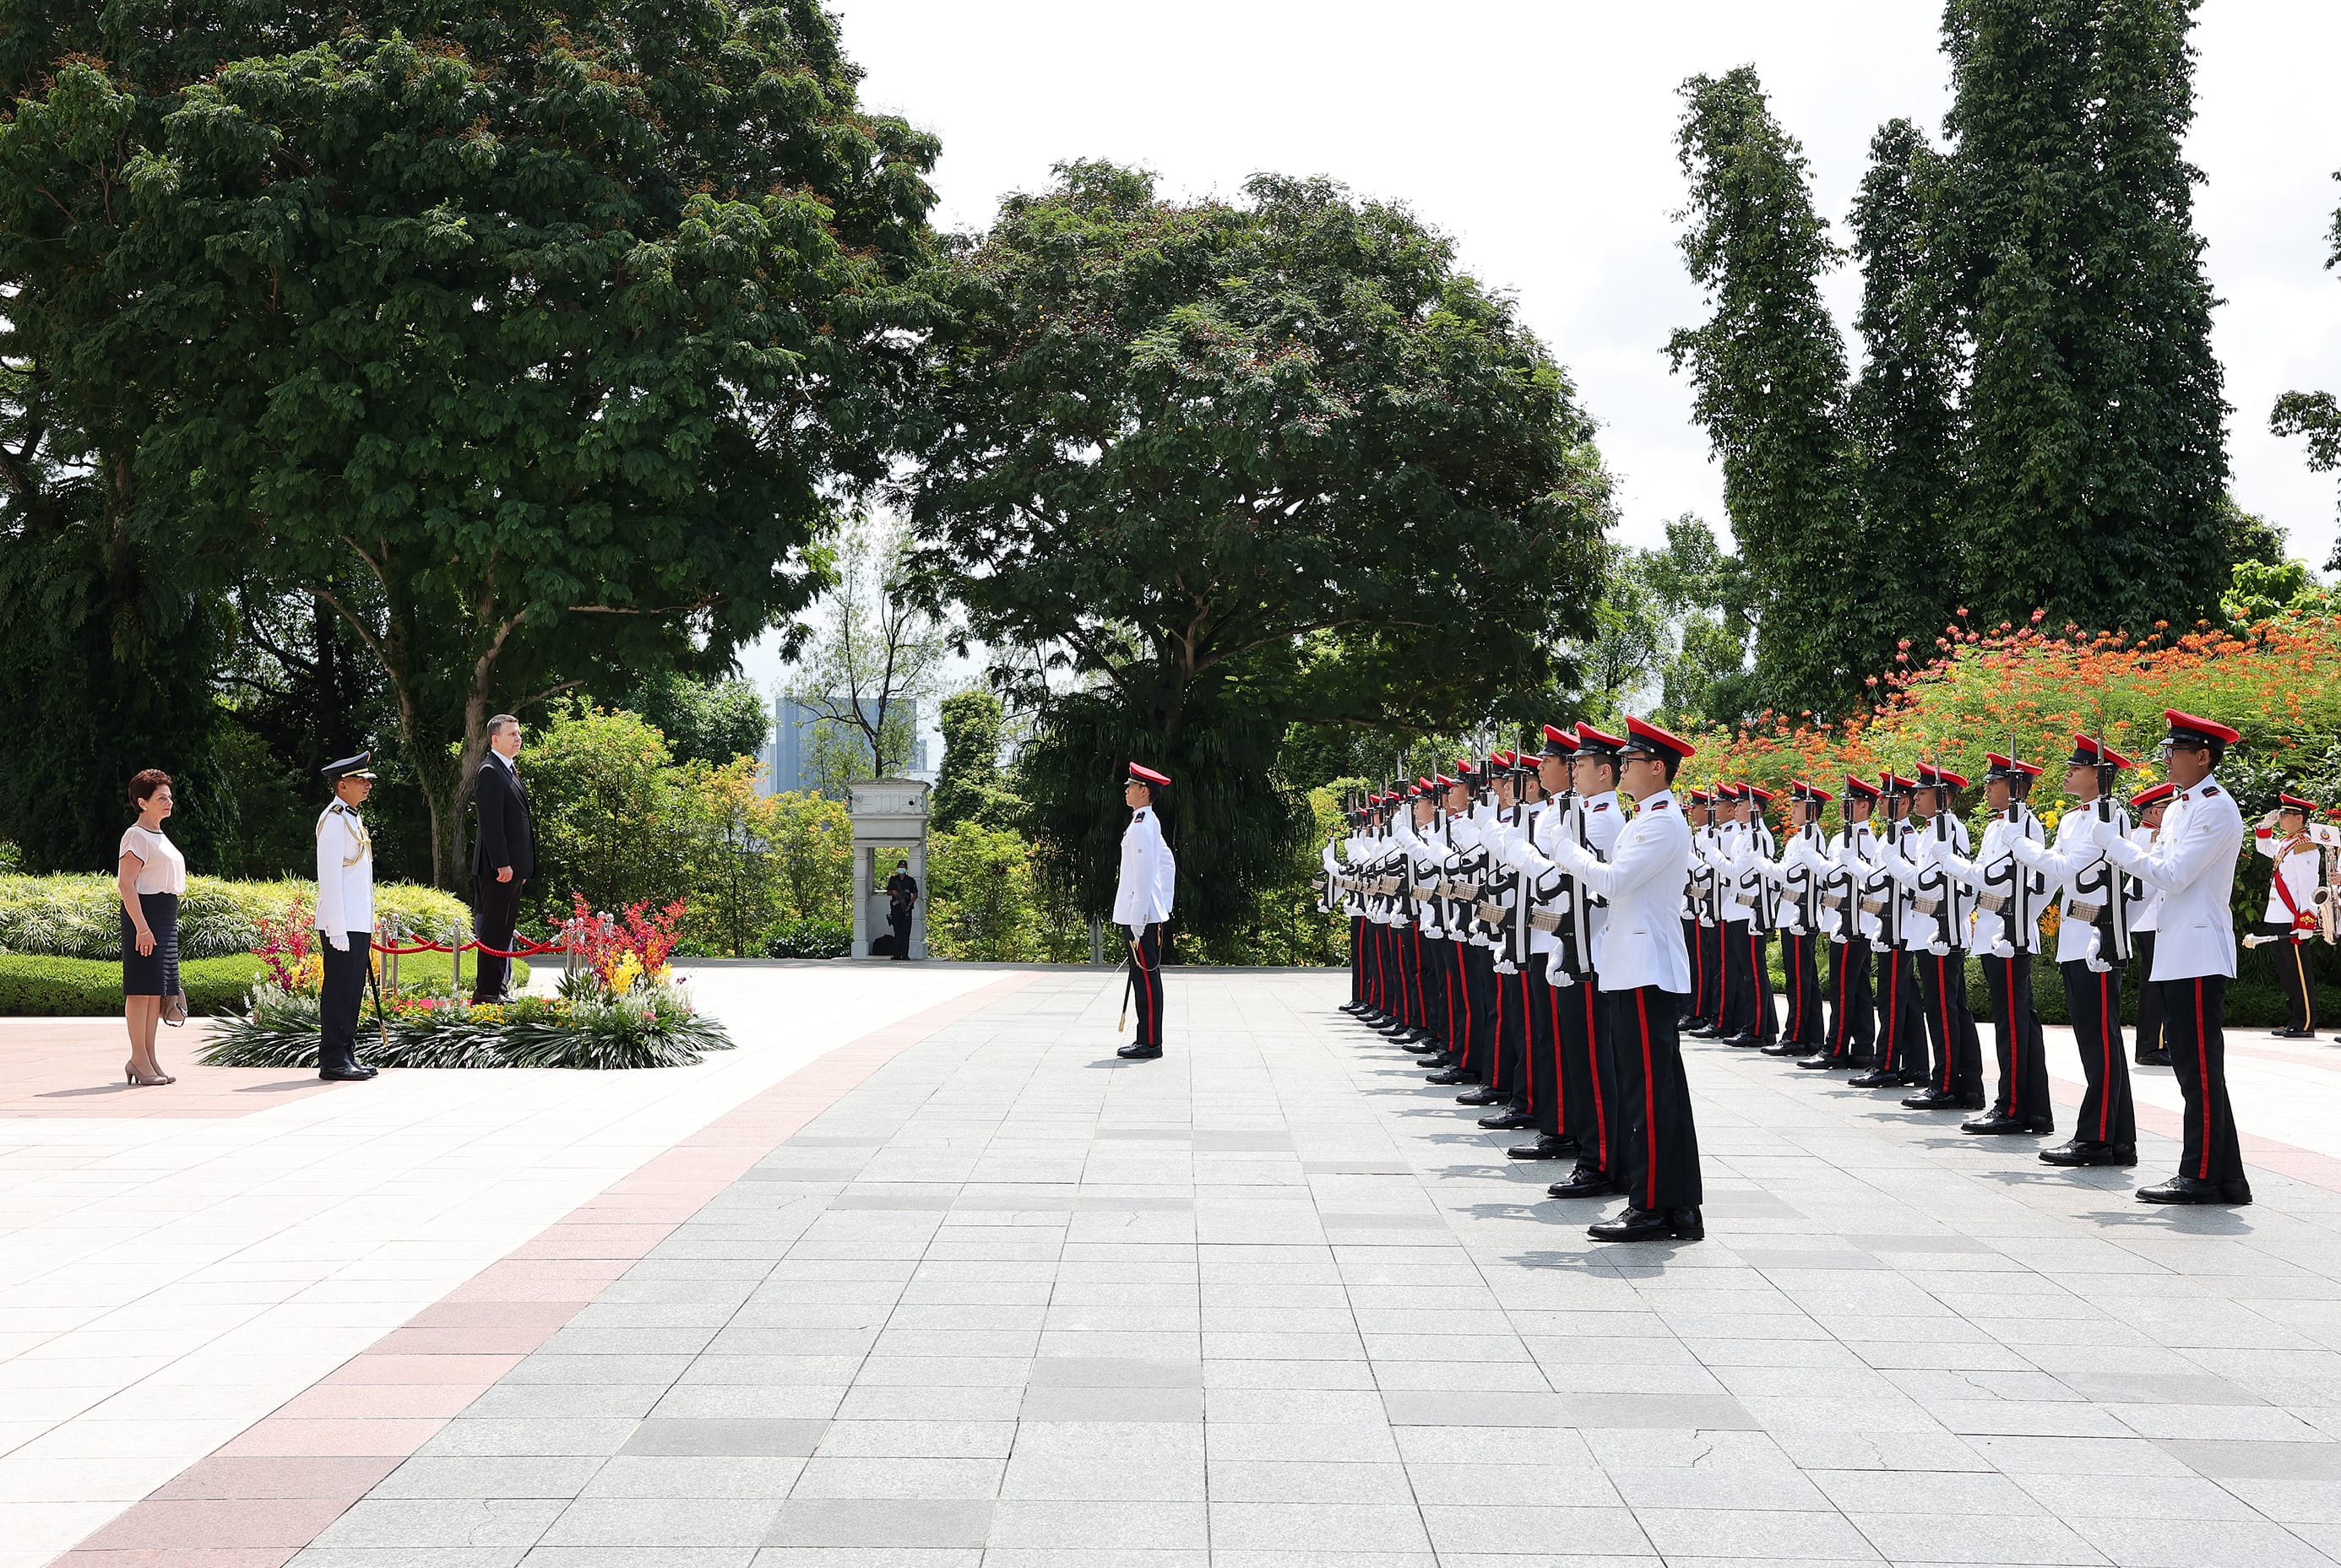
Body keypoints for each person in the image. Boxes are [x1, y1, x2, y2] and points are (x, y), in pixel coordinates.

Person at [1539, 716, 1703, 1243]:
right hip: (1634, 967)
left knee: (1648, 1094)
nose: (1623, 767)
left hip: (1644, 969)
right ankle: (1676, 1206)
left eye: (1631, 761)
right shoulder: (1647, 818)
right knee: (1657, 1091)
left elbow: (1613, 882)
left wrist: (1564, 850)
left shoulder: (1659, 822)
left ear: (1657, 768)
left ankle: (1652, 1205)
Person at [2089, 710, 2249, 1204]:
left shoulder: (2215, 807)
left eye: (2174, 752)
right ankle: (2225, 1177)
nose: (2166, 760)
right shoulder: (2182, 806)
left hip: (2199, 951)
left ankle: (2200, 1175)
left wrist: (2116, 846)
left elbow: (2176, 875)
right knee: (2192, 1067)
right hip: (2177, 950)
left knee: (2198, 1069)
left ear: (2203, 757)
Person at [2008, 736, 2137, 1168]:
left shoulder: (2111, 818)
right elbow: (2052, 879)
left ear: (2097, 775)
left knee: (2101, 1043)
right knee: (2097, 1042)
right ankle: (2119, 1139)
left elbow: (2067, 868)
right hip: (2074, 939)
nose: (2067, 772)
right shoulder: (2071, 820)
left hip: (2098, 941)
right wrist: (2021, 917)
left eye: (2076, 767)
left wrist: (2021, 846)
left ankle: (2096, 1139)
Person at [1929, 753, 2052, 1135]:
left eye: (1993, 783)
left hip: (2009, 937)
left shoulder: (2025, 826)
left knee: (2013, 1026)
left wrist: (1951, 863)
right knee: (2015, 1023)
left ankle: (2013, 1107)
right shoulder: (1997, 828)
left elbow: (2023, 882)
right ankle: (2033, 1109)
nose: (1986, 789)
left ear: (2015, 788)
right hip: (1993, 933)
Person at [1801, 776, 1881, 1072]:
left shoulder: (1863, 840)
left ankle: (1835, 1048)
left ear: (1863, 805)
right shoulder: (1842, 838)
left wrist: (1813, 860)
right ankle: (1861, 1049)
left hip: (1854, 924)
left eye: (1850, 802)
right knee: (1856, 988)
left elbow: (1838, 877)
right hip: (1842, 921)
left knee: (1843, 988)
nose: (1843, 807)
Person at [117, 769, 186, 1087]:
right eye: (161, 798)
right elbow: (126, 884)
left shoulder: (159, 835)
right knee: (140, 988)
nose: (168, 802)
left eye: (169, 797)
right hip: (145, 916)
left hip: (164, 916)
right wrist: (142, 927)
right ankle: (138, 1059)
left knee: (154, 992)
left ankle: (147, 1058)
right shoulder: (135, 836)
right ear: (142, 802)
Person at [316, 752, 382, 1083]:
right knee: (340, 989)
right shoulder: (333, 820)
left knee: (352, 989)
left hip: (357, 921)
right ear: (342, 786)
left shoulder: (352, 819)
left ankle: (346, 1052)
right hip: (341, 923)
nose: (367, 785)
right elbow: (329, 878)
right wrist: (336, 926)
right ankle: (333, 1058)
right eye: (360, 781)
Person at [470, 714, 535, 1004]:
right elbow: (492, 825)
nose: (518, 738)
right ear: (495, 739)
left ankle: (498, 988)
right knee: (494, 931)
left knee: (504, 929)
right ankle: (486, 992)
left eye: (519, 733)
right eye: (512, 734)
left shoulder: (508, 769)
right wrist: (502, 864)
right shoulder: (490, 771)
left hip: (514, 868)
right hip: (499, 870)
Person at [1114, 762, 1176, 1061]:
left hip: (1140, 915)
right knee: (1144, 977)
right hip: (1147, 912)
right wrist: (1162, 903)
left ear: (1144, 790)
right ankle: (1147, 1038)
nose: (1126, 790)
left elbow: (1143, 873)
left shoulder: (1142, 824)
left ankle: (1150, 1042)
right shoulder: (1146, 821)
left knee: (1146, 978)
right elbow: (1167, 863)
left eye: (1130, 786)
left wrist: (1140, 917)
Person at [2255, 791, 2323, 1038]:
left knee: (2299, 972)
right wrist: (2265, 826)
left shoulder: (2305, 846)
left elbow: (2309, 886)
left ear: (2299, 818)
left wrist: (2307, 918)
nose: (2281, 817)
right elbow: (2264, 847)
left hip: (2293, 917)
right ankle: (2295, 1019)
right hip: (2278, 915)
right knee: (2287, 971)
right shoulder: (2287, 842)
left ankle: (2305, 1023)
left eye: (2285, 814)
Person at [2129, 783, 2176, 1066]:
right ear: (2157, 812)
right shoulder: (2155, 838)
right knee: (2156, 983)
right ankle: (2152, 1045)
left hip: (2146, 918)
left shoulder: (2139, 835)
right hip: (2153, 918)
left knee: (2154, 981)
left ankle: (2153, 1043)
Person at [885, 858, 920, 959]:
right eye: (900, 867)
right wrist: (893, 892)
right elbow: (888, 892)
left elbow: (915, 895)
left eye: (903, 867)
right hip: (896, 909)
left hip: (907, 909)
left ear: (906, 868)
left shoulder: (910, 881)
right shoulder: (893, 880)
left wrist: (909, 905)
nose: (901, 869)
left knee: (906, 932)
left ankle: (905, 955)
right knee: (897, 932)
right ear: (897, 868)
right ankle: (897, 954)